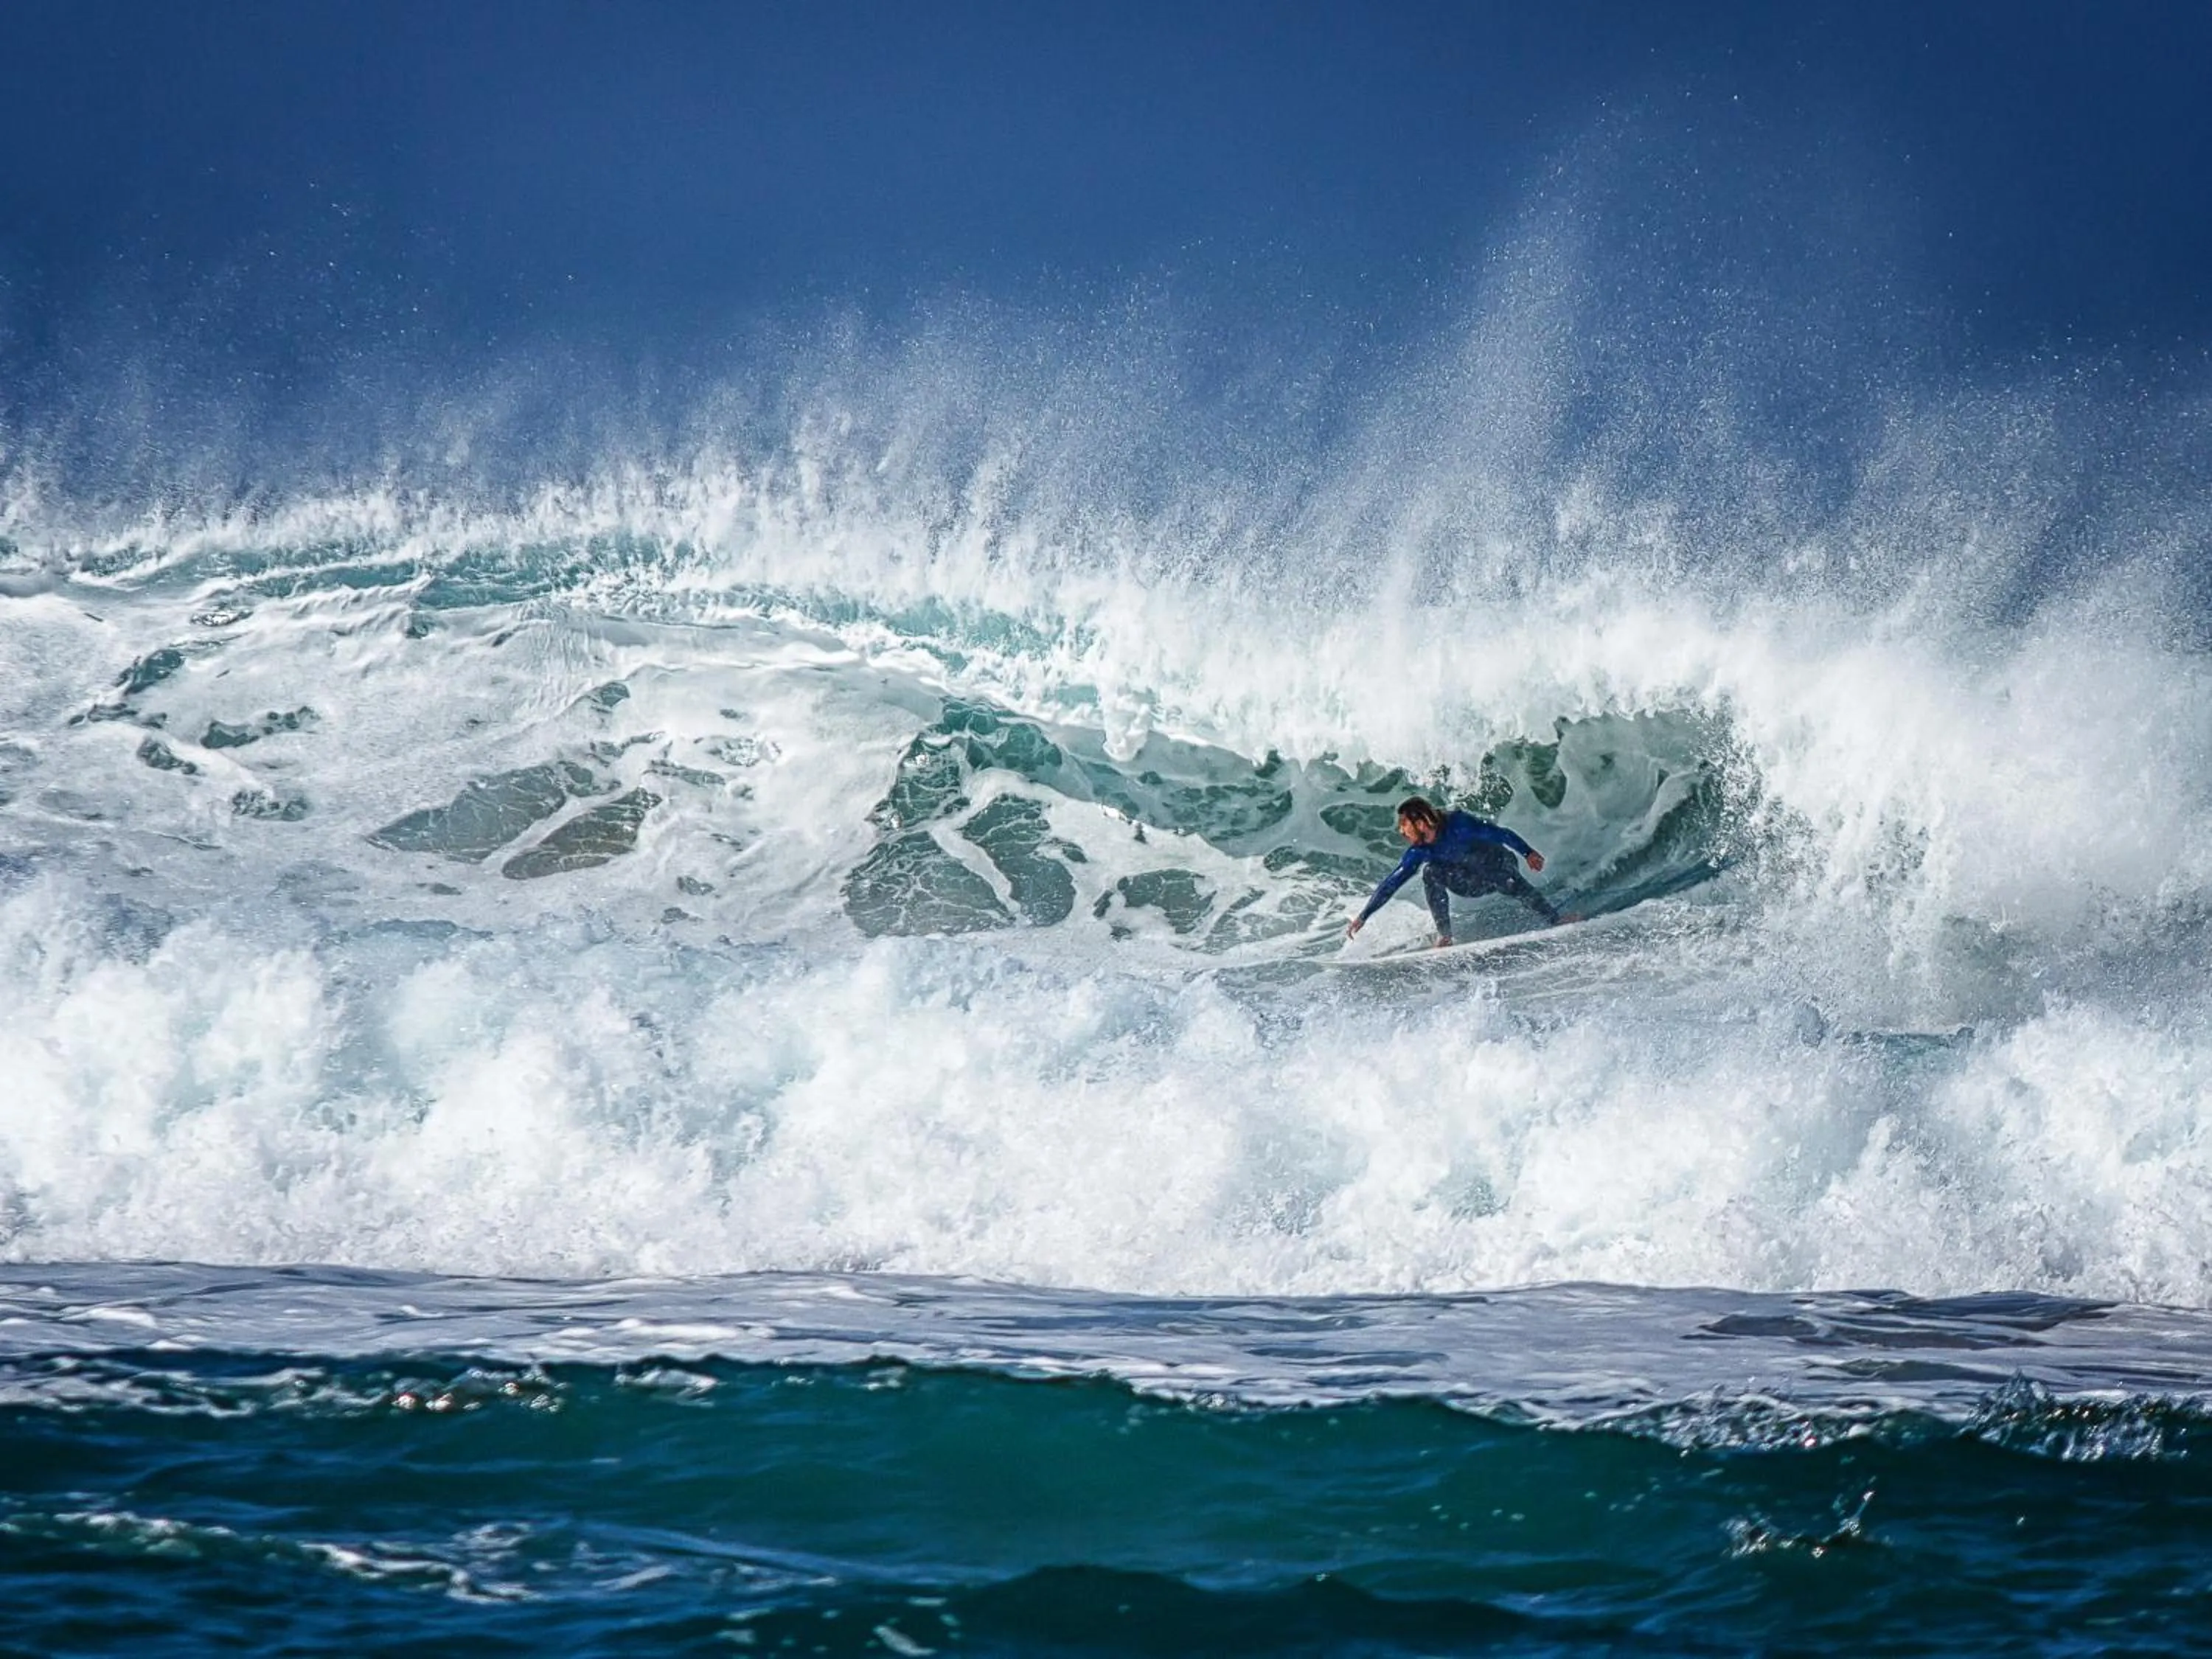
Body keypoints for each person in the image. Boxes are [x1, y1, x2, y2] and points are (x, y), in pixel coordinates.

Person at [1346, 796, 1560, 947]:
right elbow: (1393, 882)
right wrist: (1364, 916)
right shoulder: (1420, 851)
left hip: (1500, 870)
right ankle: (1445, 936)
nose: (1402, 831)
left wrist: (1528, 853)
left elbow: (1500, 834)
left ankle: (1554, 918)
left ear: (1420, 823)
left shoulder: (1459, 824)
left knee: (1482, 859)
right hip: (1469, 883)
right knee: (1430, 872)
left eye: (1405, 825)